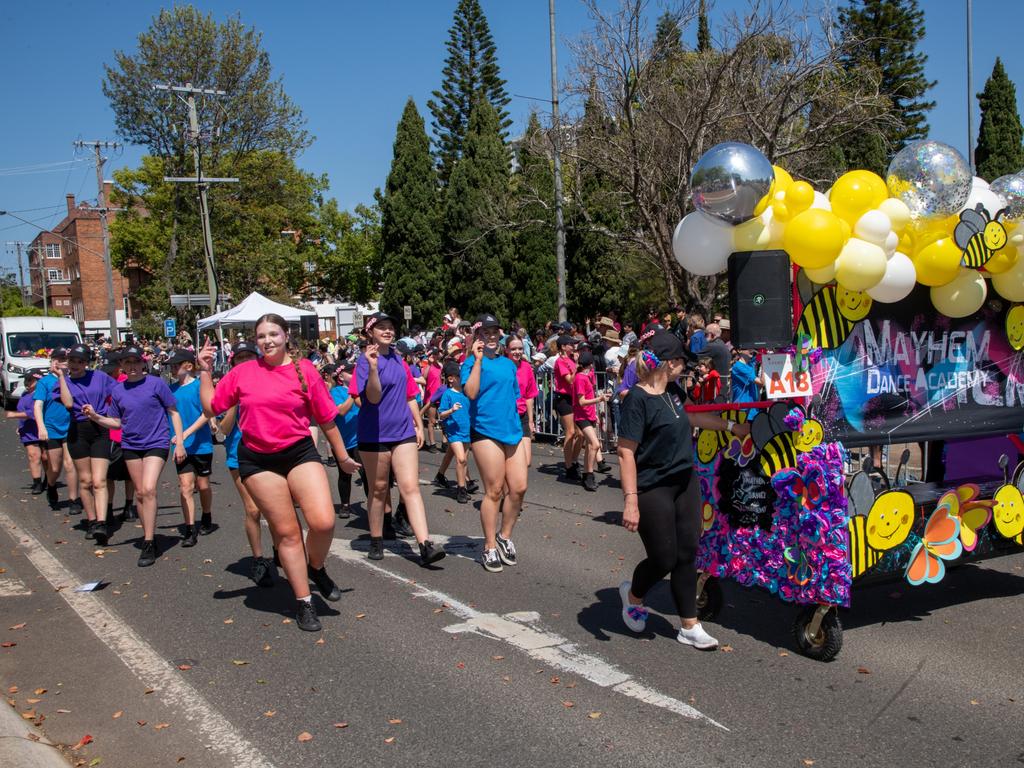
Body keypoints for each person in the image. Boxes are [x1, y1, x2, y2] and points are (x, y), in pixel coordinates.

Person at [198, 314, 359, 632]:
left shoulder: (305, 370)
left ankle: (316, 567)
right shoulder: (243, 373)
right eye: (261, 336)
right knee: (286, 533)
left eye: (273, 334)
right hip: (257, 461)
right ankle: (304, 602)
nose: (267, 340)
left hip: (299, 452)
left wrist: (342, 457)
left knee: (323, 522)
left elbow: (326, 418)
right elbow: (212, 408)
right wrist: (205, 372)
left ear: (286, 336)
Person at [616, 330, 750, 650]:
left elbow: (694, 416)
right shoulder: (636, 399)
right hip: (652, 487)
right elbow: (625, 452)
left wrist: (733, 427)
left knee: (687, 554)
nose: (685, 367)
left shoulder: (673, 390)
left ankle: (689, 625)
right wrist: (630, 501)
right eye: (681, 361)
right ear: (669, 363)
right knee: (663, 559)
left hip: (684, 481)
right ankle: (633, 596)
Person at [350, 312, 446, 565]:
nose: (387, 331)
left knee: (410, 486)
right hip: (375, 433)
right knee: (379, 488)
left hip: (402, 431)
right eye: (381, 327)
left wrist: (418, 425)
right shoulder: (364, 361)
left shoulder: (398, 359)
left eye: (390, 327)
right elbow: (371, 397)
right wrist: (372, 368)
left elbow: (410, 395)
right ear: (370, 332)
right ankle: (376, 538)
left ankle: (425, 544)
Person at [81, 345, 185, 567]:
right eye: (127, 363)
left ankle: (148, 542)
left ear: (143, 363)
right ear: (122, 367)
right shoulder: (118, 391)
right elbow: (116, 422)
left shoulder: (156, 384)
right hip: (131, 445)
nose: (133, 367)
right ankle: (149, 536)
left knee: (148, 489)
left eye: (136, 362)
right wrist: (96, 416)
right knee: (139, 493)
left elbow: (173, 412)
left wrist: (180, 442)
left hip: (156, 442)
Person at [462, 313, 528, 573]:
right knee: (494, 490)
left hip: (511, 430)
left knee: (519, 488)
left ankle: (504, 536)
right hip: (485, 431)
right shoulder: (470, 362)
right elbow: (471, 392)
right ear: (477, 336)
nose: (490, 336)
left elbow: (515, 398)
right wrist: (477, 360)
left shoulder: (508, 364)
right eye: (485, 333)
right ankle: (489, 545)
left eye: (494, 332)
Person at [215, 340, 276, 588]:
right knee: (253, 509)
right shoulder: (227, 387)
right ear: (233, 362)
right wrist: (236, 401)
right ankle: (259, 559)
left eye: (250, 356)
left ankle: (281, 550)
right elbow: (223, 430)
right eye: (240, 358)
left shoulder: (268, 380)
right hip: (239, 455)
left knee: (275, 508)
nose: (245, 361)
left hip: (270, 451)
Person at [59, 344, 117, 544]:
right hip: (78, 431)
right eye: (72, 360)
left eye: (81, 361)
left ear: (87, 363)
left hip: (99, 429)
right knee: (85, 481)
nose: (76, 364)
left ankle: (101, 522)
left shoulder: (100, 377)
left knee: (99, 480)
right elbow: (67, 403)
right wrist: (61, 376)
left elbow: (118, 391)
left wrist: (106, 412)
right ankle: (92, 520)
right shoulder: (64, 382)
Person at [167, 349, 215, 547]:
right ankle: (189, 530)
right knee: (186, 486)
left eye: (175, 365)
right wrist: (178, 439)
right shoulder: (169, 390)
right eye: (170, 366)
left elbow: (207, 413)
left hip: (201, 444)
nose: (171, 369)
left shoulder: (198, 386)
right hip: (180, 447)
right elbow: (168, 414)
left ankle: (206, 515)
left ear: (188, 365)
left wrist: (186, 433)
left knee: (202, 485)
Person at [34, 349, 80, 514]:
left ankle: (74, 499)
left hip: (70, 427)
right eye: (56, 359)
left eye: (63, 359)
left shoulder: (71, 381)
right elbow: (38, 406)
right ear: (51, 362)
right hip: (52, 428)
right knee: (55, 467)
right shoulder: (45, 382)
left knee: (70, 464)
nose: (59, 362)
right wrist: (41, 427)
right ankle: (51, 485)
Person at [328, 362, 363, 519]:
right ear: (341, 376)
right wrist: (352, 394)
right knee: (344, 475)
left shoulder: (360, 391)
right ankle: (345, 505)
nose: (354, 374)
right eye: (350, 372)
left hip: (360, 439)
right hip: (342, 441)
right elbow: (341, 411)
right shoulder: (335, 392)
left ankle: (375, 506)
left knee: (366, 474)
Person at [573, 350, 610, 492]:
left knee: (590, 445)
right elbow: (581, 402)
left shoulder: (586, 376)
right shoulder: (580, 378)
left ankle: (587, 474)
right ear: (590, 364)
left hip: (589, 415)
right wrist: (599, 399)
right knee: (595, 444)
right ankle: (589, 474)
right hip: (582, 416)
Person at [5, 370, 45, 495]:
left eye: (30, 380)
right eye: (25, 380)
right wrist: (20, 425)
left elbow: (33, 412)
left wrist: (14, 415)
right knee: (34, 456)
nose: (27, 383)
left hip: (41, 429)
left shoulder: (41, 395)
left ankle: (50, 480)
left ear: (38, 381)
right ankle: (37, 482)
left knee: (46, 457)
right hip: (28, 431)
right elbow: (24, 411)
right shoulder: (24, 394)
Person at [438, 360, 472, 503]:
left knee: (464, 461)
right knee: (461, 459)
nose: (463, 378)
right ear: (451, 378)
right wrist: (451, 410)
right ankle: (461, 489)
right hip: (453, 431)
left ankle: (445, 477)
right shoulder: (448, 394)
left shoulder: (466, 393)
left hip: (466, 430)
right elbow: (441, 414)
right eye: (460, 376)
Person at [506, 336, 539, 468]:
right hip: (506, 417)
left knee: (526, 461)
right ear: (507, 350)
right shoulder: (502, 366)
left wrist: (531, 420)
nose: (517, 352)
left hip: (522, 415)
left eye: (520, 348)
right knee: (510, 458)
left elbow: (530, 396)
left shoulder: (526, 368)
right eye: (513, 349)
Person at [553, 335, 581, 480]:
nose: (573, 346)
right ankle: (569, 466)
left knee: (581, 434)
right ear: (563, 347)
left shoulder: (571, 360)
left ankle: (574, 461)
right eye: (570, 344)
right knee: (570, 432)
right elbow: (569, 380)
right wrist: (576, 367)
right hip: (563, 399)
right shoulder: (560, 361)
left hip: (574, 398)